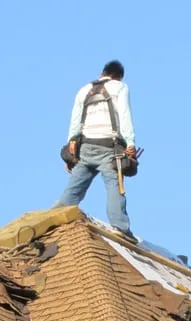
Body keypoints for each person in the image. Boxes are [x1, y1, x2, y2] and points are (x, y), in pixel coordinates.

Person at [55, 60, 137, 239]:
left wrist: (71, 151)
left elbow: (75, 121)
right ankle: (120, 227)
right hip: (109, 147)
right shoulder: (120, 87)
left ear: (102, 73)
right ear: (119, 76)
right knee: (114, 185)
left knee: (75, 187)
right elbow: (124, 115)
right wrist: (130, 143)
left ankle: (54, 218)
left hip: (85, 147)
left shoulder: (84, 90)